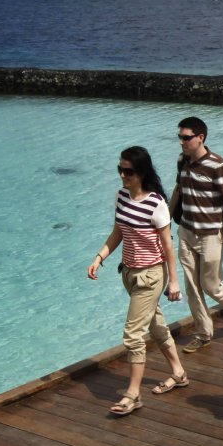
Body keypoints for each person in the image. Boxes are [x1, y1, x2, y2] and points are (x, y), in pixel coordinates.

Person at [87, 146, 189, 416]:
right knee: (155, 324)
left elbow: (168, 246)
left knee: (133, 335)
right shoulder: (121, 196)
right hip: (129, 274)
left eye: (128, 171)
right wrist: (100, 257)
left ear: (142, 172)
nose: (123, 175)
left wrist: (174, 283)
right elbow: (117, 232)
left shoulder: (157, 205)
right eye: (120, 170)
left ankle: (132, 395)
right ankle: (178, 373)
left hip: (151, 276)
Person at [171, 115, 223, 353]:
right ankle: (203, 333)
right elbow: (178, 188)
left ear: (200, 138)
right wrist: (165, 219)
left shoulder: (218, 164)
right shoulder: (182, 161)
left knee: (210, 284)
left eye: (186, 138)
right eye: (180, 137)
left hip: (212, 234)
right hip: (186, 230)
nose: (181, 142)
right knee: (191, 287)